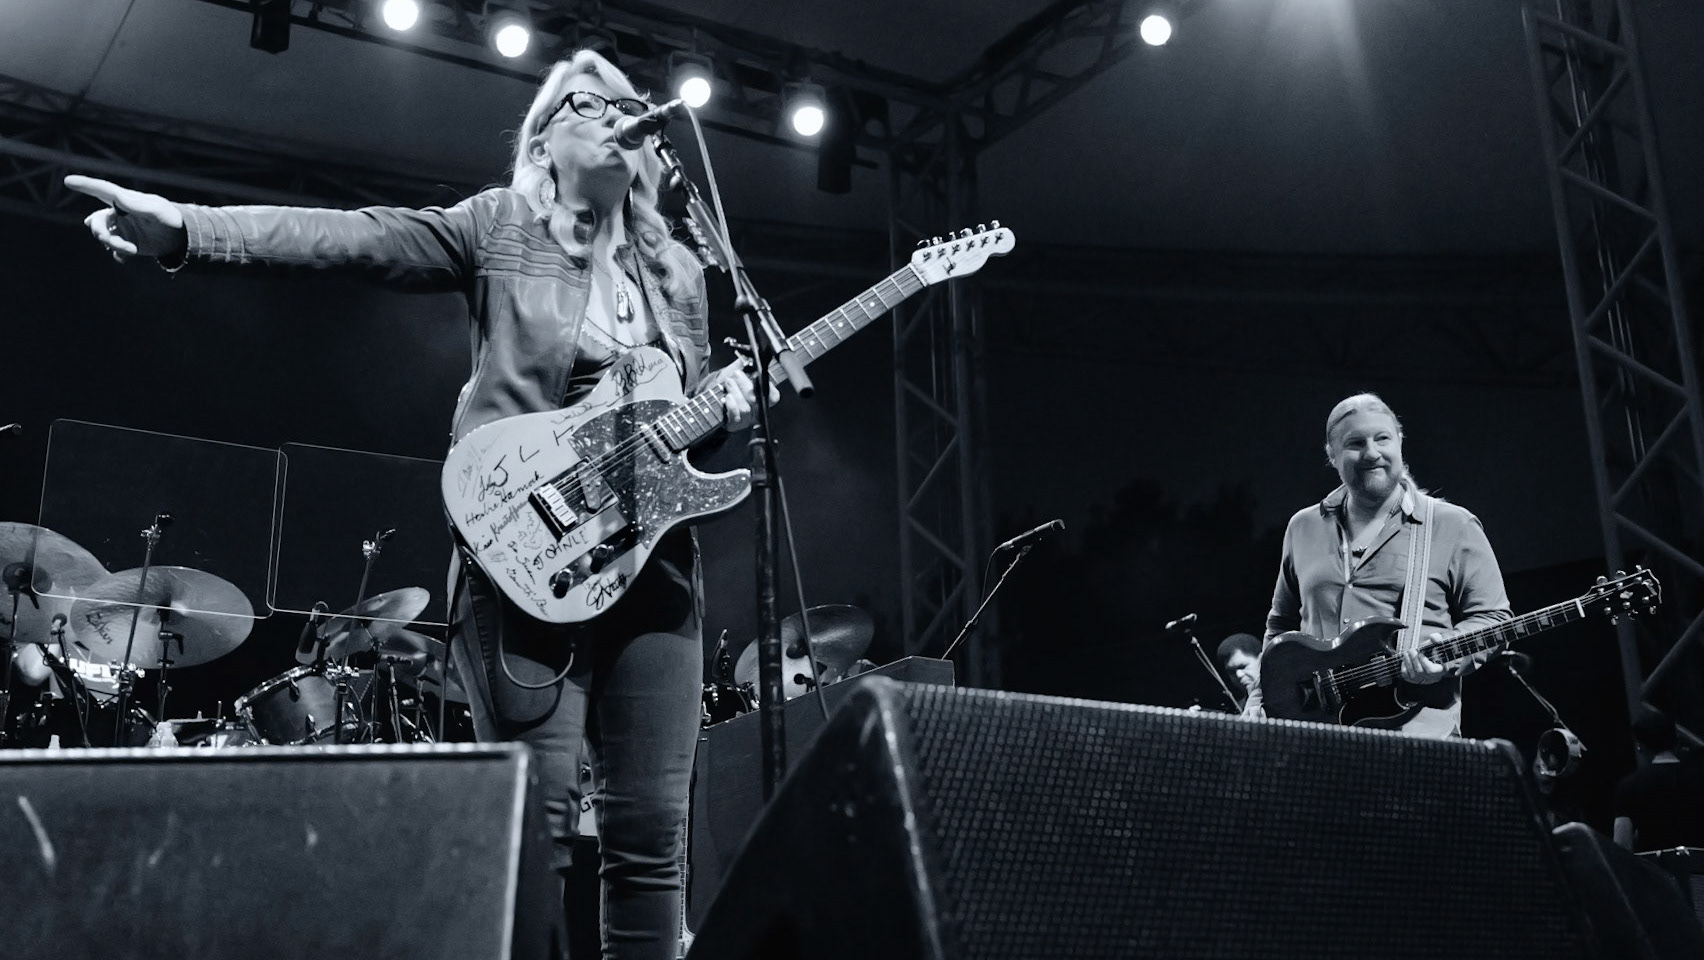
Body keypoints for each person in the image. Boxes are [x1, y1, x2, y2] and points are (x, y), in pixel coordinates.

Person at [65, 49, 767, 959]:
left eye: (623, 104)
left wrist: (724, 413)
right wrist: (188, 230)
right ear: (543, 145)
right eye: (582, 104)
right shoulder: (503, 226)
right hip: (525, 554)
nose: (612, 114)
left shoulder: (678, 275)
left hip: (653, 569)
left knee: (653, 839)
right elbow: (355, 238)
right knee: (540, 826)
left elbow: (675, 439)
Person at [1250, 393, 1513, 738]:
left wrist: (1446, 657)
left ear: (1400, 442)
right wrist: (1259, 697)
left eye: (1382, 438)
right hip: (1315, 740)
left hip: (1418, 738)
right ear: (1332, 455)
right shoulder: (1303, 527)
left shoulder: (1452, 524)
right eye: (1355, 443)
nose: (1372, 453)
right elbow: (1280, 627)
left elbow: (1494, 619)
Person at [1613, 706, 1704, 851]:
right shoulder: (1699, 776)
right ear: (1677, 740)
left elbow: (1622, 845)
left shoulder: (1629, 786)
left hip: (1657, 865)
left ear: (1640, 746)